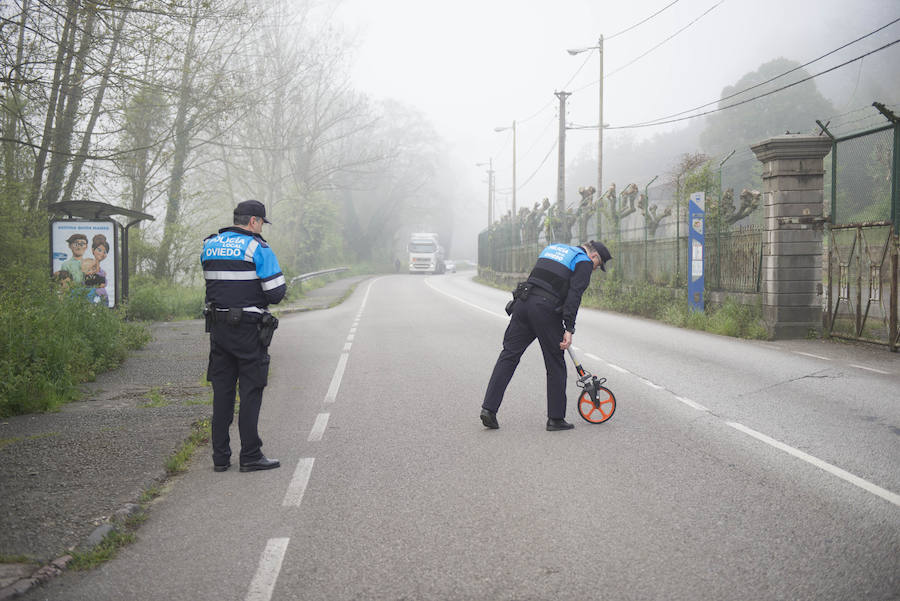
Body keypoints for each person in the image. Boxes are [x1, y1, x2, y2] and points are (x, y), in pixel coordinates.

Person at [480, 240, 612, 431]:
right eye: (596, 266)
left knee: (508, 356)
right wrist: (569, 329)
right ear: (594, 257)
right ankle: (556, 418)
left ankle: (488, 410)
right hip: (545, 310)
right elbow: (574, 295)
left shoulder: (552, 249)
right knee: (555, 362)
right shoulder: (583, 261)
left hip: (523, 304)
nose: (592, 270)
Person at [201, 200, 286, 472]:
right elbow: (276, 293)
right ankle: (250, 455)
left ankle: (220, 458)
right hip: (249, 329)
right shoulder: (257, 247)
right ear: (253, 222)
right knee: (250, 390)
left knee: (222, 392)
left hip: (218, 329)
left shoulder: (210, 245)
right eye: (261, 222)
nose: (262, 228)